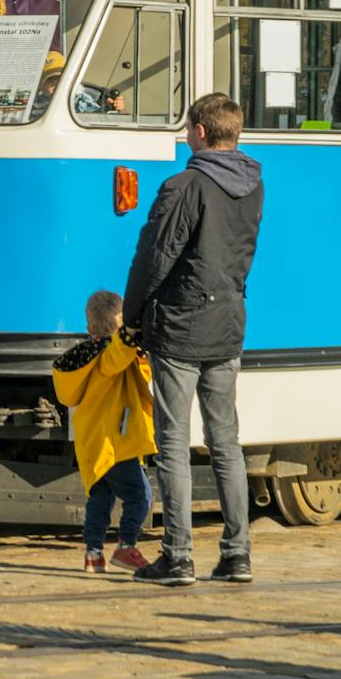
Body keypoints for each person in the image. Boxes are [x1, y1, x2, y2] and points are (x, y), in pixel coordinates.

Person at [122, 92, 264, 588]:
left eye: (187, 130)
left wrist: (133, 315)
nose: (185, 137)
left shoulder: (182, 185)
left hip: (180, 327)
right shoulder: (252, 185)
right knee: (226, 442)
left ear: (201, 133)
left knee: (173, 444)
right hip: (228, 323)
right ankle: (237, 553)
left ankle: (178, 556)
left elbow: (154, 257)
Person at [52, 290, 154, 574]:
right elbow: (121, 355)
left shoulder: (84, 357)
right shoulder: (110, 356)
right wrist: (133, 335)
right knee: (141, 496)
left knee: (101, 498)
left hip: (92, 444)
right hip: (116, 442)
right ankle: (126, 546)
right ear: (120, 327)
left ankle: (93, 554)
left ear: (88, 326)